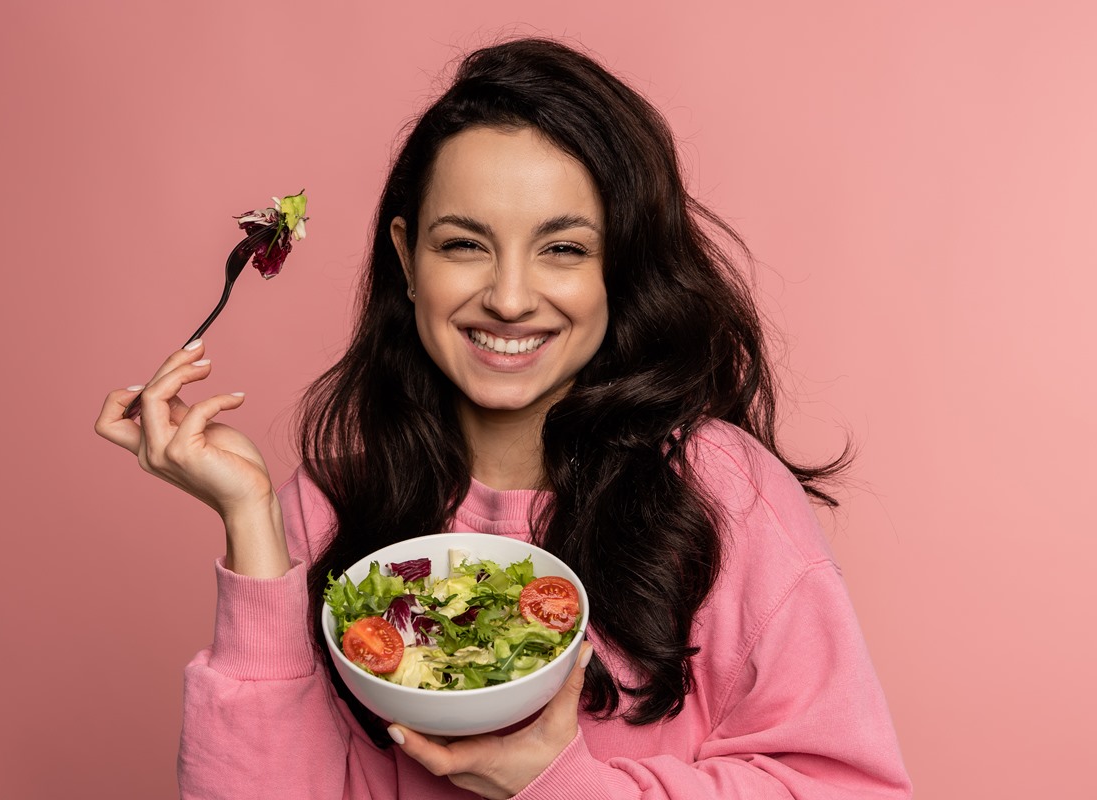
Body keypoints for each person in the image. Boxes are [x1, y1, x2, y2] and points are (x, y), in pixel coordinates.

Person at [96, 38, 912, 800]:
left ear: (617, 271)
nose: (511, 297)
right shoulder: (340, 499)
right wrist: (252, 522)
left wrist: (558, 784)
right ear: (408, 258)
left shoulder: (724, 493)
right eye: (464, 245)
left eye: (562, 249)